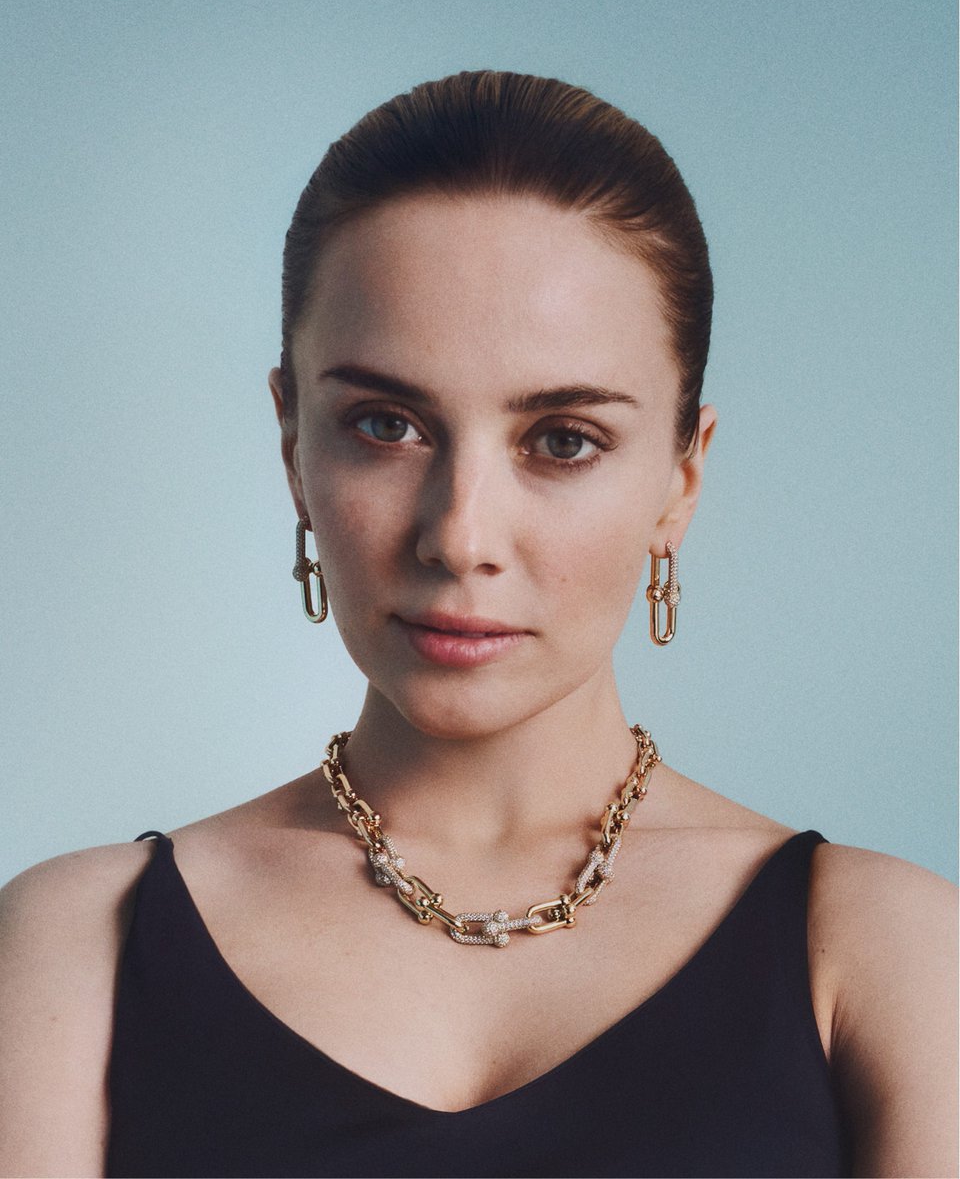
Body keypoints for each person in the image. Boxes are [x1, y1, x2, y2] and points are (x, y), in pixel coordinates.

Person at [0, 70, 955, 1179]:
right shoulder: (79, 945)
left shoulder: (887, 953)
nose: (460, 537)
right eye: (385, 425)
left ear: (681, 478)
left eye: (562, 441)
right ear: (293, 445)